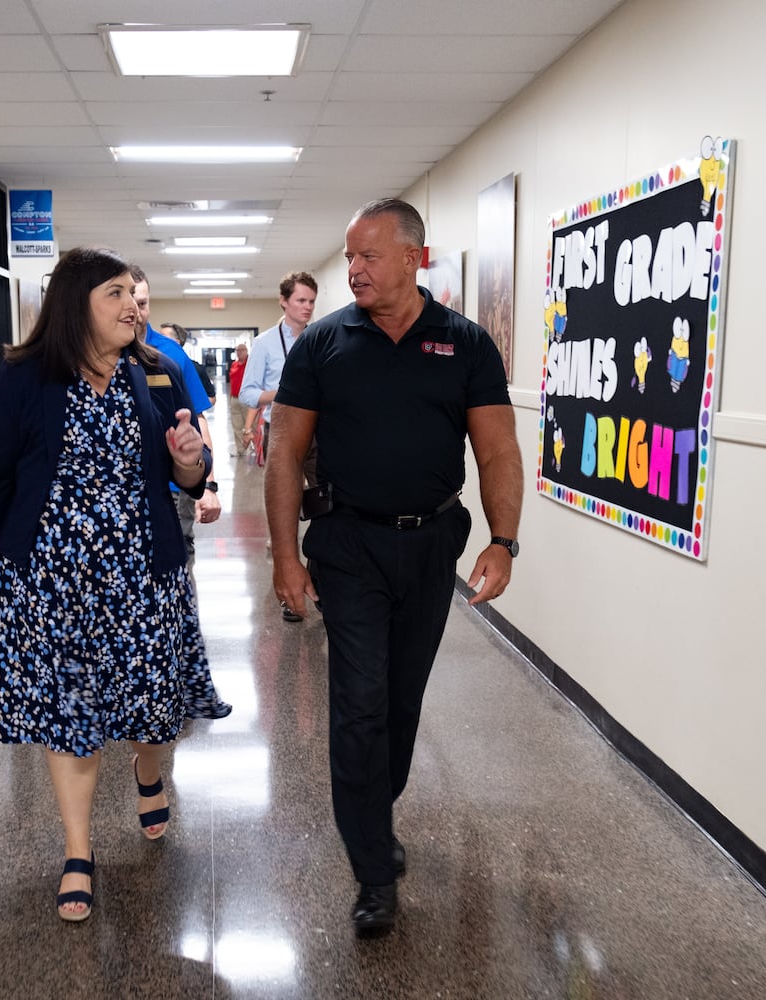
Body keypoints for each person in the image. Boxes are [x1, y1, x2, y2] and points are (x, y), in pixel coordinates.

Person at [0, 247, 231, 923]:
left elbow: (185, 468)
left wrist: (192, 465)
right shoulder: (25, 378)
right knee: (71, 718)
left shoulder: (150, 373)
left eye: (134, 293)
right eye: (117, 293)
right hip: (50, 579)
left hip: (140, 573)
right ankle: (78, 850)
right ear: (78, 304)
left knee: (154, 704)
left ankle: (149, 771)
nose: (133, 304)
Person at [265, 198, 524, 937]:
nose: (354, 270)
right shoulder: (321, 344)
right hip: (347, 544)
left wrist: (503, 540)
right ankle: (373, 870)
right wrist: (286, 556)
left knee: (402, 701)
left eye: (369, 256)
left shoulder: (466, 344)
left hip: (431, 542)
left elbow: (497, 449)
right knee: (360, 703)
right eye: (349, 256)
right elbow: (284, 453)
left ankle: (375, 816)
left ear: (415, 258)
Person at [130, 269, 221, 555]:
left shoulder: (170, 355)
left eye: (142, 304)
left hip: (168, 482)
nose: (136, 312)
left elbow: (198, 421)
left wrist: (209, 485)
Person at [239, 271, 319, 486]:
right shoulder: (264, 342)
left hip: (319, 430)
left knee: (324, 497)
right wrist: (282, 394)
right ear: (283, 301)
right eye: (301, 300)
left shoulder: (321, 338)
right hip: (281, 430)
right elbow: (247, 393)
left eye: (311, 301)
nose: (308, 307)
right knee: (283, 497)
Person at [227, 342, 249, 455]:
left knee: (250, 425)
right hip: (235, 398)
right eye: (237, 350)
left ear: (246, 351)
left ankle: (255, 448)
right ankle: (240, 450)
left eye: (242, 350)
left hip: (247, 399)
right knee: (236, 425)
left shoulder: (250, 364)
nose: (239, 352)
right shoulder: (234, 364)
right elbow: (232, 381)